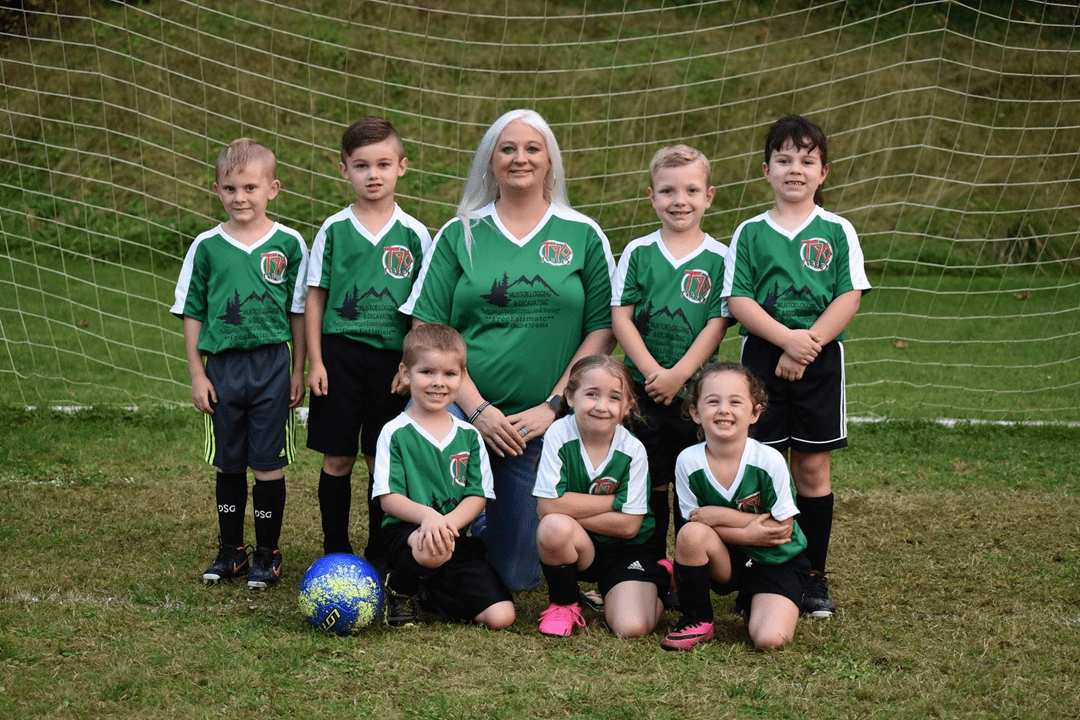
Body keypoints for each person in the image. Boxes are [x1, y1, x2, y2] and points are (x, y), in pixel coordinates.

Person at [400, 109, 616, 592]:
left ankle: (483, 522)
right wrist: (476, 409)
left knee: (515, 576)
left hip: (534, 424)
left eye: (533, 149)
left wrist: (553, 405)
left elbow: (602, 331)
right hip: (457, 413)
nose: (521, 158)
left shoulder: (582, 233)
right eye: (508, 149)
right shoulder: (460, 232)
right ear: (490, 162)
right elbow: (427, 330)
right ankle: (429, 543)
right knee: (431, 531)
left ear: (550, 162)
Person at [721, 115, 871, 617]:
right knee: (760, 464)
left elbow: (849, 295)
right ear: (766, 170)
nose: (795, 169)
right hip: (762, 358)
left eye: (807, 161)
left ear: (823, 172)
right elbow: (738, 299)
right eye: (783, 159)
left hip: (820, 358)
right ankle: (760, 570)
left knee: (811, 466)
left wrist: (807, 344)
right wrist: (786, 340)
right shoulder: (750, 232)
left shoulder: (837, 230)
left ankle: (811, 575)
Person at [171, 138, 309, 589]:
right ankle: (231, 550)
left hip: (273, 366)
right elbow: (192, 311)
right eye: (230, 188)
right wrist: (197, 373)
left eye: (250, 188)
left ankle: (268, 554)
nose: (240, 197)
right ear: (217, 190)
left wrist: (299, 369)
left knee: (268, 464)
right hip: (223, 368)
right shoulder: (206, 246)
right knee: (228, 463)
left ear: (273, 189)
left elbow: (299, 311)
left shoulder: (289, 243)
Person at [305, 116, 431, 561]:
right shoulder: (334, 229)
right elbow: (315, 296)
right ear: (344, 170)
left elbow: (421, 308)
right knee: (337, 457)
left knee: (382, 460)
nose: (372, 174)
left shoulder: (415, 234)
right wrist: (316, 361)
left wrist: (410, 365)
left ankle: (381, 551)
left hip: (392, 363)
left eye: (383, 164)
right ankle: (335, 550)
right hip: (338, 356)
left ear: (402, 167)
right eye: (361, 165)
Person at [611, 144, 730, 562]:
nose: (680, 201)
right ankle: (649, 563)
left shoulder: (720, 258)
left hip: (695, 394)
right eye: (667, 191)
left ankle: (687, 562)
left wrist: (679, 374)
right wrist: (651, 372)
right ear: (651, 196)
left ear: (708, 196)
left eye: (691, 191)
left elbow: (717, 323)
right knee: (649, 479)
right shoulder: (637, 252)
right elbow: (621, 317)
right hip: (643, 390)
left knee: (688, 479)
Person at [370, 323, 516, 629]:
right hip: (407, 535)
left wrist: (446, 525)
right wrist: (429, 518)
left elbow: (477, 495)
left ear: (462, 377)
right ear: (406, 373)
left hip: (453, 535)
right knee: (429, 550)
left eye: (449, 374)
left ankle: (431, 592)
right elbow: (388, 498)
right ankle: (401, 589)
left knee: (502, 617)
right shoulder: (394, 432)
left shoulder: (469, 435)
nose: (438, 382)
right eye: (427, 372)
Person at [662, 361, 810, 651]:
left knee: (769, 640)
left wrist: (720, 516)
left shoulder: (769, 461)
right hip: (728, 560)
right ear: (695, 412)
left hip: (776, 560)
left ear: (755, 413)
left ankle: (758, 601)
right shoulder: (688, 462)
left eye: (735, 402)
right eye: (712, 401)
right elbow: (695, 525)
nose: (723, 410)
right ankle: (697, 619)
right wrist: (747, 531)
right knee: (691, 535)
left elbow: (782, 529)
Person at [532, 355, 667, 638]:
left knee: (631, 627)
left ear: (628, 406)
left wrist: (568, 509)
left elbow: (630, 526)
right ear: (570, 397)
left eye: (614, 398)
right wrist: (614, 502)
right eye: (592, 394)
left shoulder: (632, 450)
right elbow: (547, 506)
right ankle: (564, 604)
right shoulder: (559, 433)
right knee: (553, 526)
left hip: (628, 549)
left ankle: (657, 581)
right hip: (582, 547)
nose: (601, 406)